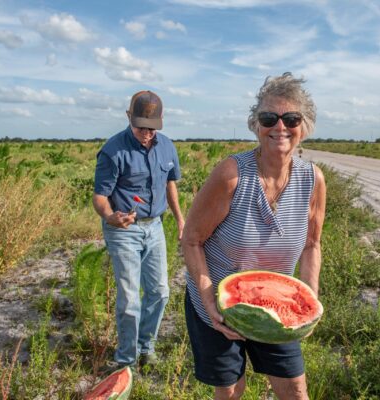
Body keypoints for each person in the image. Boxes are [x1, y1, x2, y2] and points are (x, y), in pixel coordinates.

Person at [182, 73, 326, 400]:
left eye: (291, 118)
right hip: (217, 305)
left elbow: (311, 245)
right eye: (268, 118)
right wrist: (209, 300)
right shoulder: (231, 175)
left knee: (295, 389)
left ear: (304, 126)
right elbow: (191, 239)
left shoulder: (313, 180)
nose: (280, 127)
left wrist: (309, 302)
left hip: (279, 308)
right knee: (231, 390)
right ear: (255, 125)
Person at [93, 90, 185, 369]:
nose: (146, 133)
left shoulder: (167, 146)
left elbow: (171, 184)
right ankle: (126, 358)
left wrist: (180, 219)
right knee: (130, 298)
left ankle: (147, 345)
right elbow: (99, 197)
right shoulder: (113, 151)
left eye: (152, 128)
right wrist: (110, 217)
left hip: (155, 227)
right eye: (140, 127)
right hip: (124, 230)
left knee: (160, 291)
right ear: (128, 118)